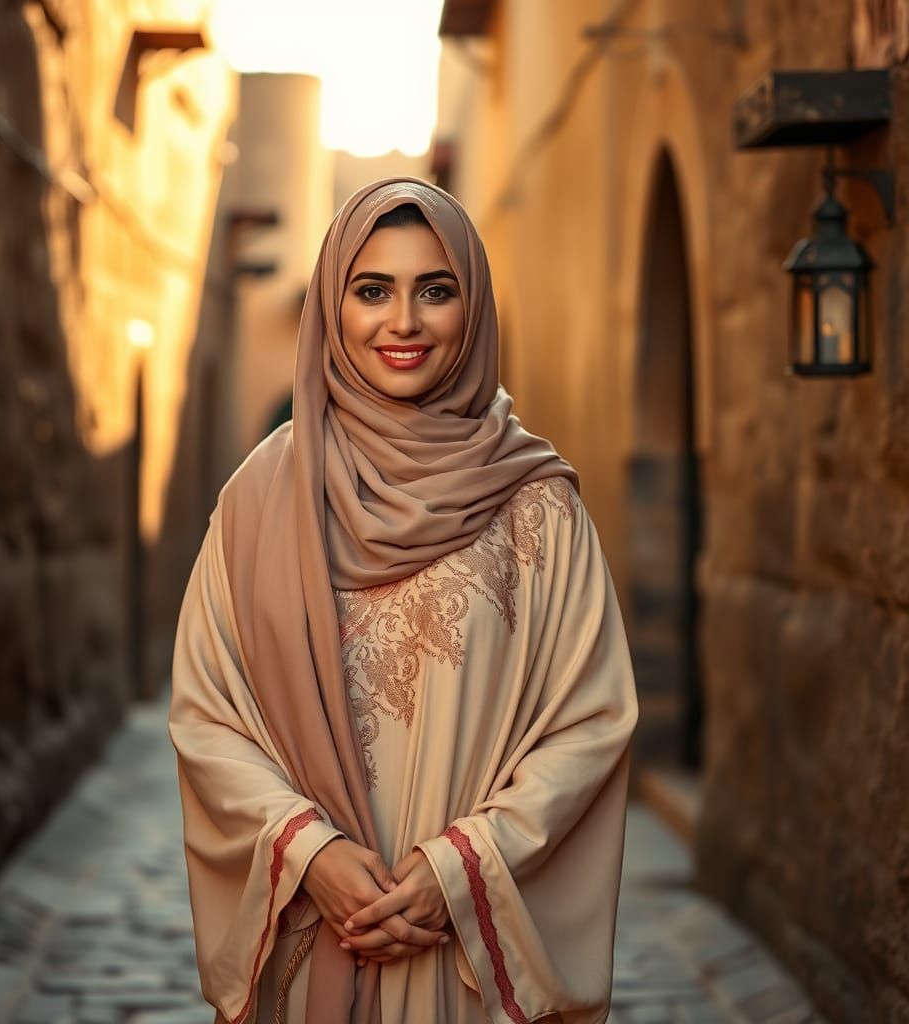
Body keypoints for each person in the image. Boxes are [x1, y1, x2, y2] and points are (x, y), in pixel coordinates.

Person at [168, 177, 639, 1024]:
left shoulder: (536, 505)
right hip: (316, 933)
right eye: (371, 290)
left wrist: (456, 871)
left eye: (436, 290)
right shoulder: (260, 500)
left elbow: (591, 721)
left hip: (463, 948)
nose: (404, 323)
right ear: (331, 305)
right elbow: (208, 716)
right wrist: (310, 856)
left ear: (475, 306)